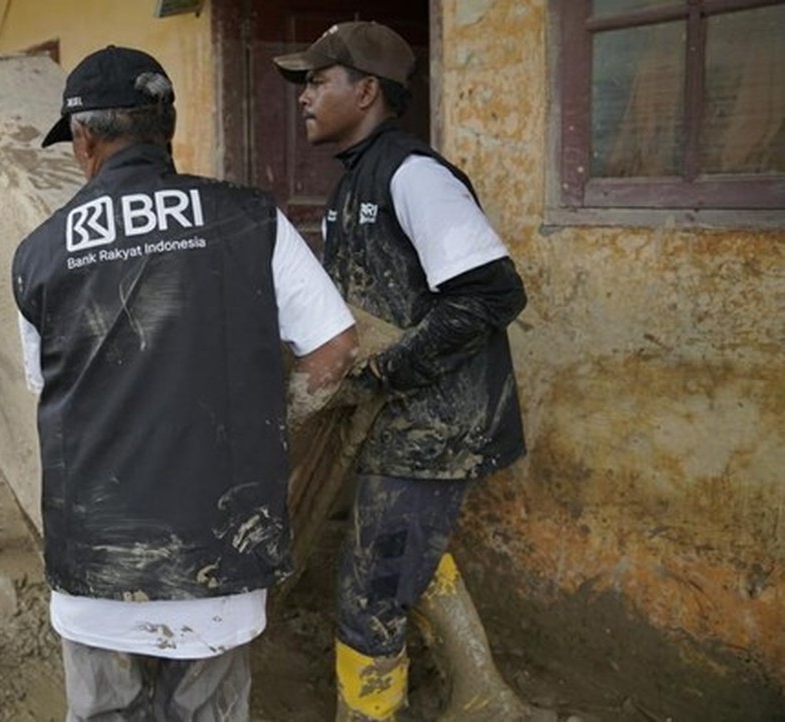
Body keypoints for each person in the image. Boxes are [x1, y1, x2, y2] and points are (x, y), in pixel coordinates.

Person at [12, 46, 358, 721]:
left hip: (96, 562)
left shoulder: (39, 253)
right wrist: (265, 426)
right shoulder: (251, 219)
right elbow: (335, 349)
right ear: (165, 125)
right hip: (218, 555)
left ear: (84, 138)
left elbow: (48, 390)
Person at [274, 21, 531, 722]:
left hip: (433, 420)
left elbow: (493, 294)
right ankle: (486, 695)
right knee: (408, 553)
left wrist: (385, 372)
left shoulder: (413, 175)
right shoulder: (354, 184)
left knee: (370, 590)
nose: (304, 96)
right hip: (400, 419)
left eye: (318, 81)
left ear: (365, 92)